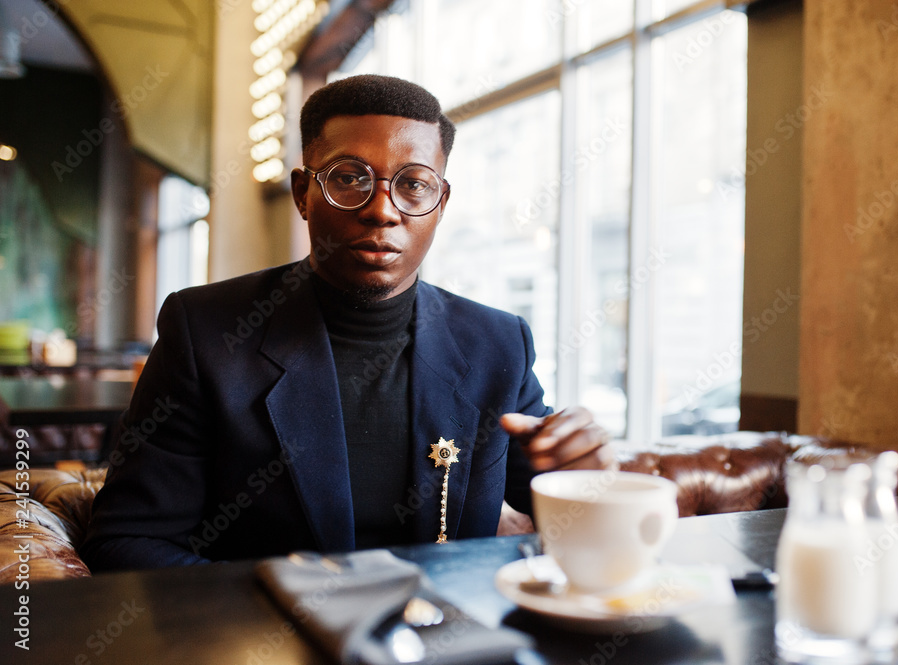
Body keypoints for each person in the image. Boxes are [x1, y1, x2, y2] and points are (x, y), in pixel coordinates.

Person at [82, 74, 613, 571]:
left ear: (441, 202)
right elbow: (128, 541)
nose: (383, 210)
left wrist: (583, 478)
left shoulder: (498, 343)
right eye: (351, 178)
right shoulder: (209, 333)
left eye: (414, 185)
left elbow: (552, 516)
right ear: (301, 195)